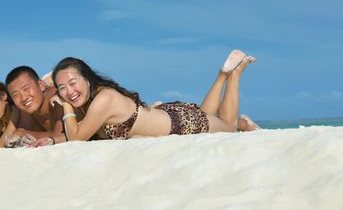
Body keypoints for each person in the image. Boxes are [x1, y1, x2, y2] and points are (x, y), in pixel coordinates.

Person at [44, 50, 259, 143]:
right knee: (205, 115)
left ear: (87, 79)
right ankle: (222, 75)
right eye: (62, 88)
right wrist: (52, 140)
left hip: (180, 125)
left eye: (73, 83)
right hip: (169, 116)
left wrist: (66, 106)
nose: (69, 92)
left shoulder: (103, 99)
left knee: (227, 126)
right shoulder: (94, 99)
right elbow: (83, 133)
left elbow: (77, 138)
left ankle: (235, 74)